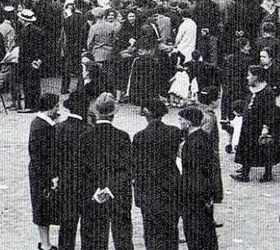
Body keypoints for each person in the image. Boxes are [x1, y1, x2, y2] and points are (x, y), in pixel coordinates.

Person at [79, 93, 132, 250]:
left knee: (92, 239)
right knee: (123, 238)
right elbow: (127, 168)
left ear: (96, 112)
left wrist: (96, 190)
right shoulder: (122, 137)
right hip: (118, 194)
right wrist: (110, 188)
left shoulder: (85, 137)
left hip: (92, 193)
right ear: (113, 114)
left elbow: (82, 169)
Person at [131, 98, 182, 250]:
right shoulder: (174, 132)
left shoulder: (140, 136)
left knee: (151, 229)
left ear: (147, 113)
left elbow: (136, 165)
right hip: (170, 183)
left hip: (149, 187)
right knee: (171, 228)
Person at [230, 65, 280, 183]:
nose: (247, 77)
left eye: (249, 75)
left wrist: (266, 127)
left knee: (264, 148)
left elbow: (271, 111)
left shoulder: (268, 91)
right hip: (249, 124)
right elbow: (246, 102)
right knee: (246, 147)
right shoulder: (249, 89)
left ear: (256, 76)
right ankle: (244, 173)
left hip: (261, 124)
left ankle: (267, 173)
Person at [177, 106, 220, 250]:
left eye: (181, 120)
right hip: (202, 194)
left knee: (195, 233)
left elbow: (197, 172)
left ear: (188, 122)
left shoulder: (193, 143)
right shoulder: (203, 137)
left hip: (194, 194)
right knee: (206, 232)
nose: (180, 122)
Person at [56, 92, 89, 250]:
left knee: (67, 223)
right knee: (88, 224)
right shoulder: (89, 129)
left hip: (66, 182)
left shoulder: (59, 128)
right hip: (86, 183)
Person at [29, 93, 60, 250]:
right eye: (56, 107)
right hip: (42, 174)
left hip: (41, 173)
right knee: (42, 209)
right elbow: (39, 156)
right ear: (50, 108)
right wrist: (50, 177)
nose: (58, 110)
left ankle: (46, 243)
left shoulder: (41, 123)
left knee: (43, 208)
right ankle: (46, 245)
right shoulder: (42, 126)